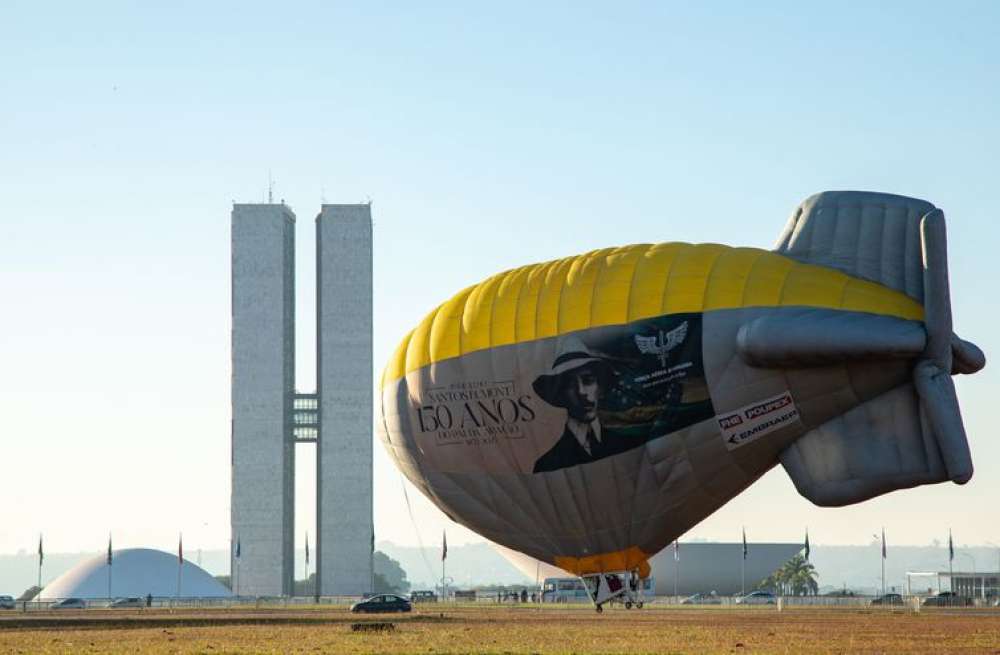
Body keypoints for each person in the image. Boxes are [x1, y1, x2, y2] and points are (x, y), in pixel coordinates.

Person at [532, 336, 635, 473]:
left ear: (600, 386)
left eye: (588, 380)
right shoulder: (546, 465)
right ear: (560, 394)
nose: (582, 392)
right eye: (569, 384)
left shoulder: (629, 444)